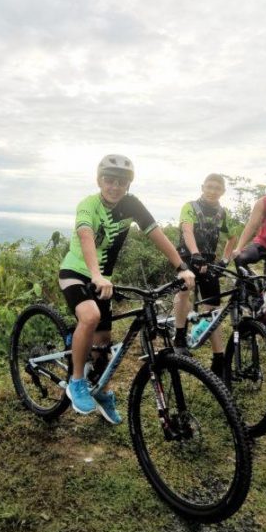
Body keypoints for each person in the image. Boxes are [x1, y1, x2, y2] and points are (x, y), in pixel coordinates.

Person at [59, 154, 196, 425]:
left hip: (103, 279)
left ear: (128, 185)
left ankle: (102, 391)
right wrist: (95, 274)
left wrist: (181, 266)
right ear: (99, 181)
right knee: (90, 317)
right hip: (76, 272)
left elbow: (156, 234)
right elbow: (86, 237)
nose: (115, 186)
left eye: (121, 182)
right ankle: (76, 382)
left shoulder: (131, 204)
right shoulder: (88, 205)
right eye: (109, 180)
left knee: (103, 342)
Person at [171, 174, 239, 377]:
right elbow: (187, 230)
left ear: (222, 192)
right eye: (209, 187)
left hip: (208, 262)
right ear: (202, 187)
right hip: (186, 258)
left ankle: (219, 359)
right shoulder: (190, 206)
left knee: (213, 310)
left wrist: (225, 260)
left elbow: (232, 237)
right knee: (184, 290)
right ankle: (179, 337)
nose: (212, 191)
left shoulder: (223, 213)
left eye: (217, 188)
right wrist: (195, 254)